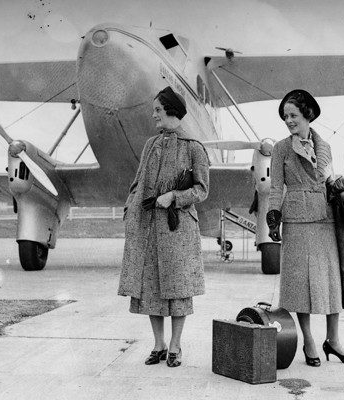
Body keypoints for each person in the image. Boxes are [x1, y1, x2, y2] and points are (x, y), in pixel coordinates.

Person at [118, 86, 210, 368]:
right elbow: (137, 182)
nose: (153, 115)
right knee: (150, 289)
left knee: (178, 289)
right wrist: (129, 207)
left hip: (178, 230)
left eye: (158, 109)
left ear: (172, 110)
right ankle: (158, 344)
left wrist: (175, 197)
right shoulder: (150, 144)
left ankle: (175, 345)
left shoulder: (193, 147)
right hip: (147, 227)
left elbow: (202, 190)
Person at [266, 89, 344, 367]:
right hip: (295, 220)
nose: (289, 121)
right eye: (285, 117)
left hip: (325, 219)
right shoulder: (281, 148)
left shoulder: (325, 147)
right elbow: (274, 188)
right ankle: (308, 341)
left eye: (293, 115)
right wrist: (273, 215)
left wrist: (342, 183)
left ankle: (334, 340)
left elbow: (328, 181)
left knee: (331, 282)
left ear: (308, 115)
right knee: (300, 285)